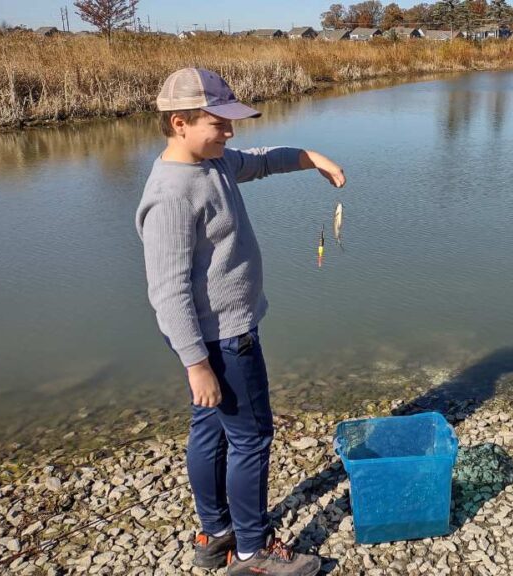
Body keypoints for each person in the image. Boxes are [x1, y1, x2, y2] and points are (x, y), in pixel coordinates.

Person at [136, 68, 346, 576]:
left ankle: (215, 535)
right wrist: (196, 363)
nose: (230, 134)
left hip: (219, 337)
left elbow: (262, 161)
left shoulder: (214, 162)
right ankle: (252, 552)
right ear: (180, 122)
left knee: (210, 427)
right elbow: (168, 292)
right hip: (224, 339)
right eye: (219, 124)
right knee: (251, 437)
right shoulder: (171, 194)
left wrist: (310, 157)